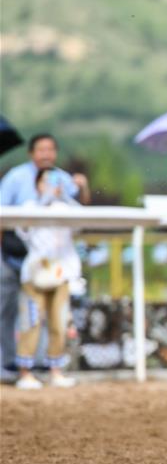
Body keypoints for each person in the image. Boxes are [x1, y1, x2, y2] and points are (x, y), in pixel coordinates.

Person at [0, 133, 89, 381]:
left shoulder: (63, 190)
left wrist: (78, 189)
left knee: (57, 322)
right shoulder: (19, 183)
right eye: (41, 150)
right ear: (32, 153)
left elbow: (80, 214)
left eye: (51, 149)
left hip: (56, 270)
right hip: (19, 260)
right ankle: (12, 366)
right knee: (19, 317)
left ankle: (49, 367)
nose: (46, 154)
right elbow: (16, 223)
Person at [14, 168, 82, 389]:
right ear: (37, 185)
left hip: (61, 273)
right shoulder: (29, 207)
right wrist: (44, 201)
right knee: (31, 323)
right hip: (35, 274)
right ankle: (25, 372)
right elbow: (22, 229)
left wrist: (64, 197)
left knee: (59, 323)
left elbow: (81, 222)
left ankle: (56, 370)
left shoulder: (64, 208)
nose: (50, 185)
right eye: (45, 181)